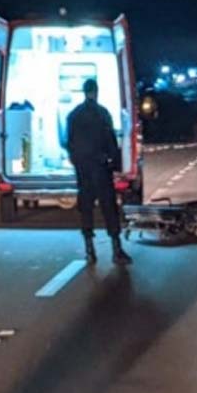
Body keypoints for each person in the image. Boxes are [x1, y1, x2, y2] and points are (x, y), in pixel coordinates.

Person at [66, 78, 132, 265]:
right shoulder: (102, 113)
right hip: (100, 167)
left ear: (83, 92)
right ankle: (116, 249)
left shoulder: (73, 115)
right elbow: (110, 141)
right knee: (109, 208)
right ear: (96, 91)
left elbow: (69, 142)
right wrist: (116, 164)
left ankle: (89, 250)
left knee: (86, 208)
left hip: (83, 169)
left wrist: (76, 160)